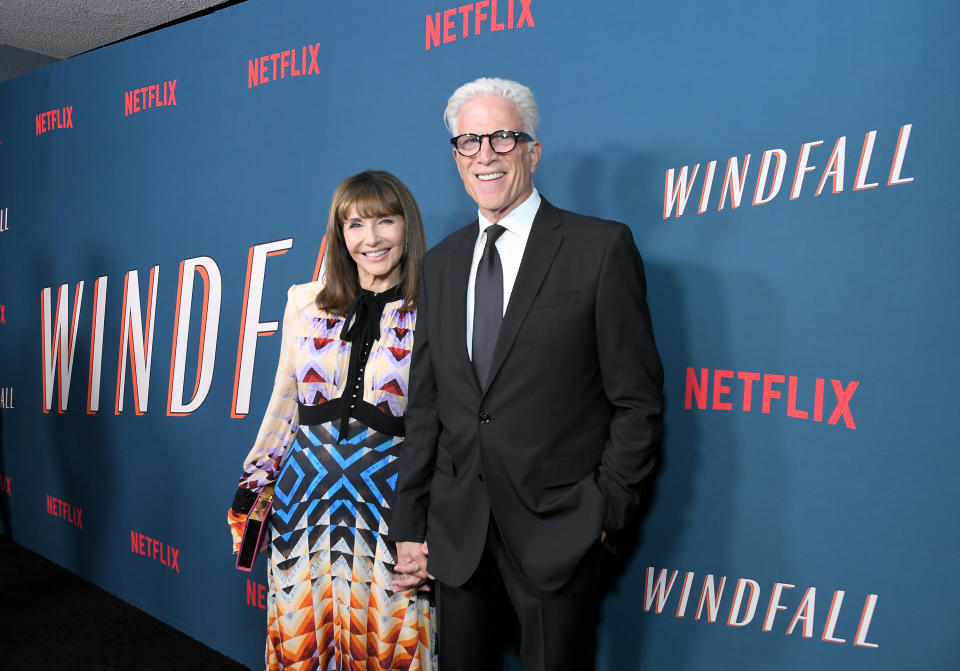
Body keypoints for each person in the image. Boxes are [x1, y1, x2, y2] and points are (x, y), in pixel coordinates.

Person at [389, 78, 664, 670]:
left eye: (503, 138)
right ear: (455, 157)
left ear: (533, 151)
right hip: (458, 536)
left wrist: (603, 511)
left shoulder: (599, 248)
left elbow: (637, 401)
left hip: (559, 530)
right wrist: (411, 524)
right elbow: (427, 405)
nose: (485, 154)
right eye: (468, 141)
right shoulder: (440, 264)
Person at [228, 170, 434, 671]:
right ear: (340, 234)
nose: (371, 239)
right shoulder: (305, 300)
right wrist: (253, 485)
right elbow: (285, 401)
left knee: (392, 646)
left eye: (385, 221)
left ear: (407, 226)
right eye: (356, 224)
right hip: (305, 501)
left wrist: (435, 528)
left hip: (390, 503)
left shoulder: (434, 306)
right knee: (305, 645)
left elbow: (444, 424)